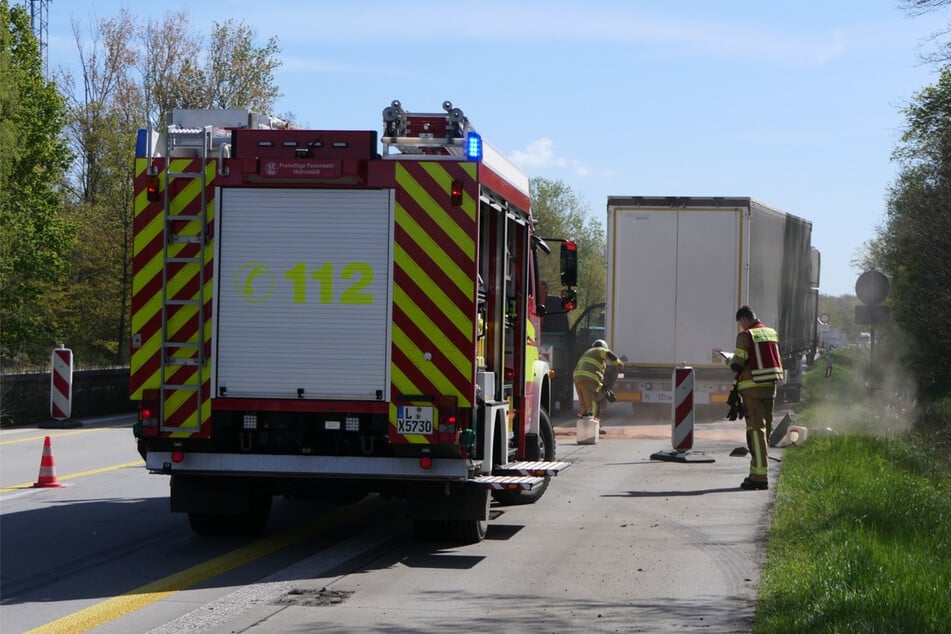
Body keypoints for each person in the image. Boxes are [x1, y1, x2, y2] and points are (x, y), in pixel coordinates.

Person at [725, 306, 783, 491]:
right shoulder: (771, 333)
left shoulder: (745, 336)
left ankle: (759, 477)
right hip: (770, 387)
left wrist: (729, 360)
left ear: (742, 319)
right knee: (765, 431)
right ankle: (758, 473)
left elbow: (738, 365)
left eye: (739, 324)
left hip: (752, 388)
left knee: (756, 431)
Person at [573, 339, 625, 427]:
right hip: (588, 379)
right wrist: (618, 363)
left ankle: (584, 427)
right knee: (593, 403)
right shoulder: (599, 350)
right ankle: (593, 427)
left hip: (577, 378)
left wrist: (602, 386)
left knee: (584, 405)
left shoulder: (589, 352)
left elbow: (598, 374)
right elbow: (608, 353)